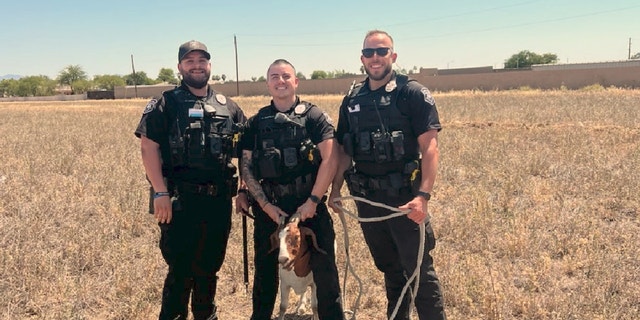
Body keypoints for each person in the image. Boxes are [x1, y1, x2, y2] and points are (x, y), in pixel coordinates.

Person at [328, 30, 447, 320]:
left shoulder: (412, 93)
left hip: (405, 199)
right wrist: (335, 191)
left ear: (393, 56)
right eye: (369, 53)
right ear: (362, 58)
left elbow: (429, 147)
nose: (375, 58)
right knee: (390, 269)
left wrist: (423, 196)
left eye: (382, 52)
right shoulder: (353, 98)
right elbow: (343, 151)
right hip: (367, 200)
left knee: (419, 270)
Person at [134, 40, 247, 320]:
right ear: (180, 67)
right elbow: (148, 146)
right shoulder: (166, 103)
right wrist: (160, 193)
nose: (196, 66)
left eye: (202, 61)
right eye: (190, 61)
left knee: (210, 267)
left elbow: (246, 151)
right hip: (178, 200)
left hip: (218, 201)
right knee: (181, 268)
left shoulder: (228, 107)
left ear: (209, 65)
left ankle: (206, 315)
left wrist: (245, 189)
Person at [235, 59, 344, 320]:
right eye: (274, 76)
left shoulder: (314, 117)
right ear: (267, 83)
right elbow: (246, 167)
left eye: (286, 76)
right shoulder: (256, 123)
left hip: (310, 210)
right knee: (264, 277)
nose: (280, 81)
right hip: (269, 210)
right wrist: (265, 206)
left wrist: (313, 201)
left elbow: (331, 160)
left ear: (296, 82)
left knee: (326, 275)